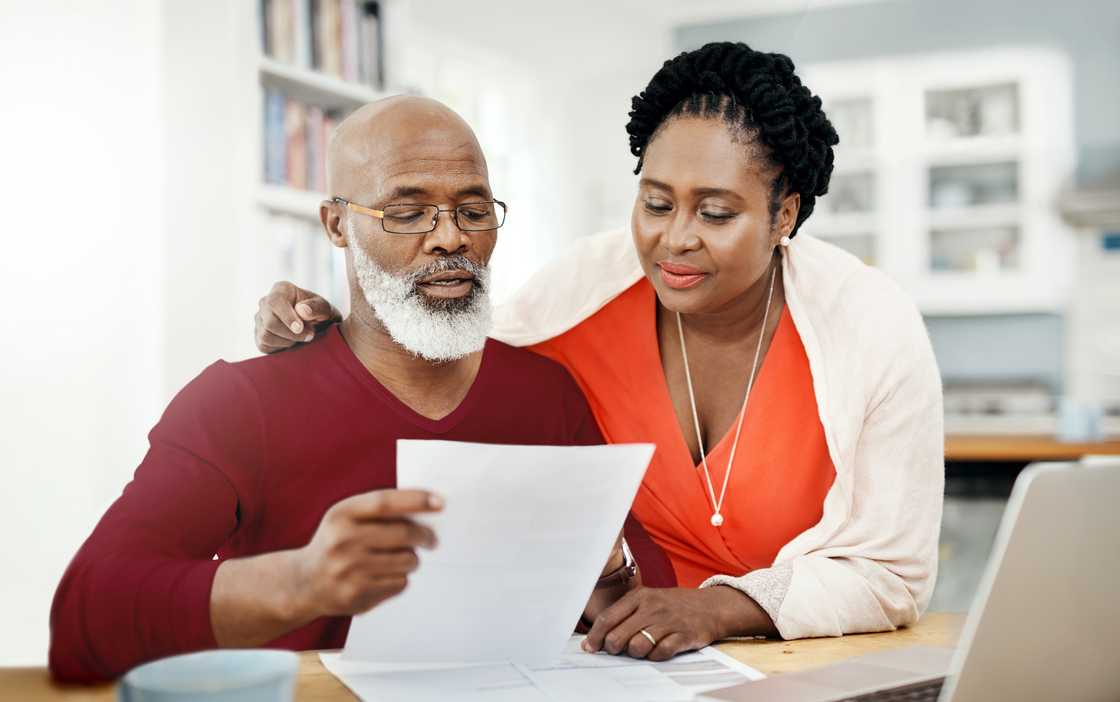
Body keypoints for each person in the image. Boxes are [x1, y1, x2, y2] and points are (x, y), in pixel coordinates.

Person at [256, 42, 945, 662]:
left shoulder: (867, 325)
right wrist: (326, 331)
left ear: (784, 214)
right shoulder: (584, 291)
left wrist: (718, 608)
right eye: (656, 203)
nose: (676, 238)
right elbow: (440, 361)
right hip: (619, 660)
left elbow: (894, 575)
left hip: (811, 663)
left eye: (716, 212)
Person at [49, 96, 660, 683]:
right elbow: (87, 615)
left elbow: (638, 604)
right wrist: (304, 581)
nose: (451, 238)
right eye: (407, 213)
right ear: (337, 225)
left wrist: (607, 565)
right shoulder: (239, 403)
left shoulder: (545, 393)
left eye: (473, 211)